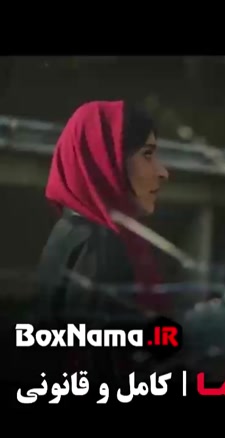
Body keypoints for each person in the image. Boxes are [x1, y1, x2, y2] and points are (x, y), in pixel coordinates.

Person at [35, 100, 170, 380]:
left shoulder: (66, 233)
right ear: (108, 160)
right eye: (147, 154)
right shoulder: (104, 245)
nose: (163, 172)